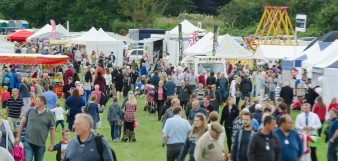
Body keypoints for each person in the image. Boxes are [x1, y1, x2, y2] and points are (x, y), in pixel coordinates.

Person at [15, 95, 56, 161]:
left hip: (41, 145)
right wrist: (18, 137)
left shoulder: (50, 114)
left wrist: (52, 144)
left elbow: (52, 129)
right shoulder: (30, 110)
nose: (34, 102)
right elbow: (22, 123)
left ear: (42, 102)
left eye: (36, 101)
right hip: (28, 142)